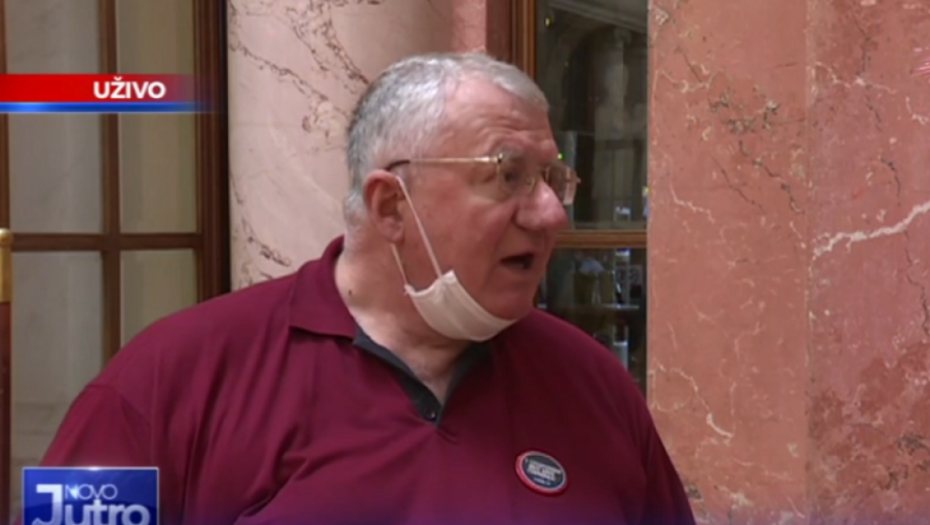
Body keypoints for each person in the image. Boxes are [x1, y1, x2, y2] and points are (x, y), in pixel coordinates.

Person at [28, 53, 695, 525]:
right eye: (509, 175)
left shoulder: (593, 386)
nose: (550, 213)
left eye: (552, 179)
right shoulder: (164, 383)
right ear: (391, 206)